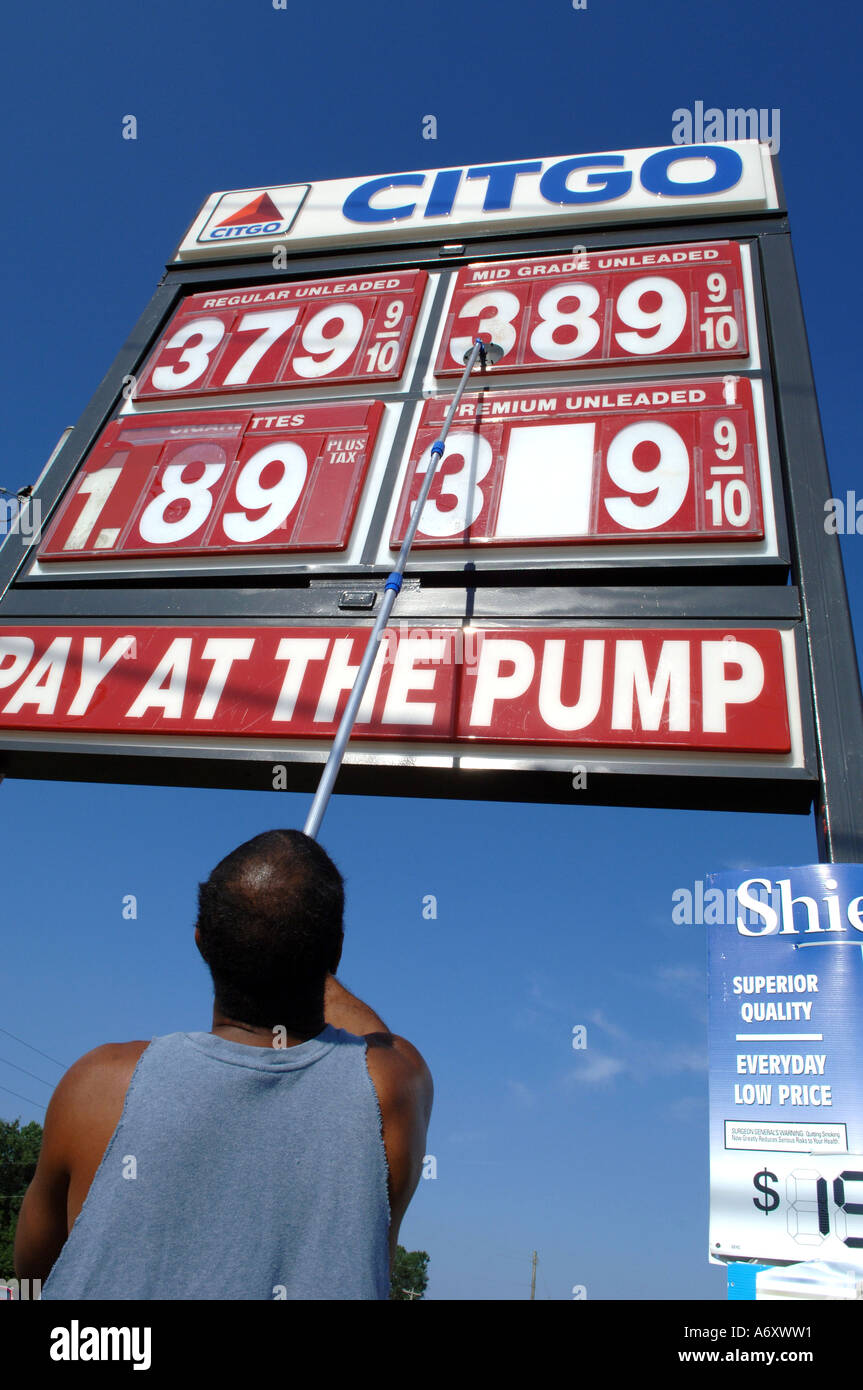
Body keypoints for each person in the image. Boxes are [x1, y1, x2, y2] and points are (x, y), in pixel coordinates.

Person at [15, 829, 433, 1300]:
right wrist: (297, 943)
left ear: (201, 944)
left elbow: (34, 1267)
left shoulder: (96, 1083)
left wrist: (266, 939)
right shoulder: (390, 1090)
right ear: (335, 951)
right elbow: (384, 1042)